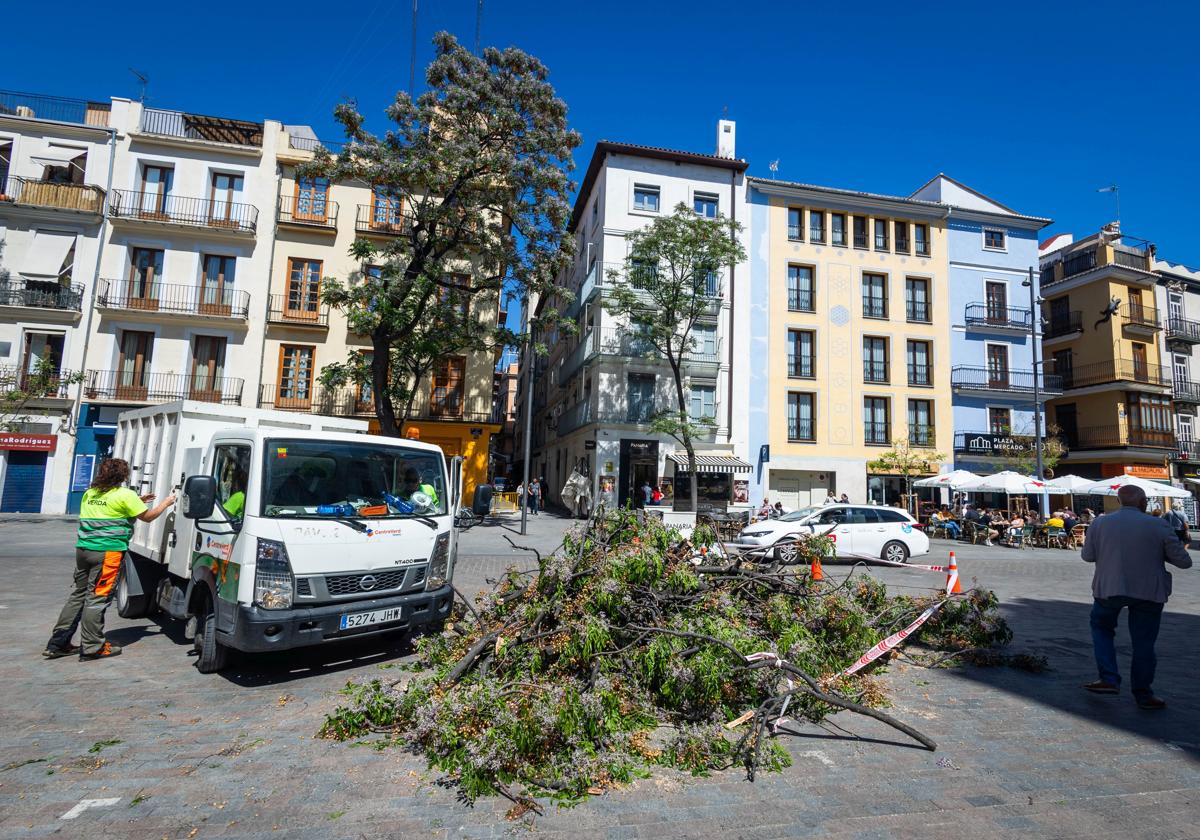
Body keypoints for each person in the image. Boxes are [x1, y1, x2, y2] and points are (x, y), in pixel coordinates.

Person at [43, 459, 176, 661]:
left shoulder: (91, 493)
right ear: (123, 476)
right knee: (97, 598)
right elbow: (148, 517)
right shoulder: (125, 495)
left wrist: (137, 500)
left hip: (84, 550)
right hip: (108, 554)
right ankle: (92, 647)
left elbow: (108, 507)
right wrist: (166, 503)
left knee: (78, 595)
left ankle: (57, 644)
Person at [1081, 485, 1192, 709]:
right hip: (1148, 591)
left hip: (1109, 588)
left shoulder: (1100, 523)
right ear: (1143, 502)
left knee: (1101, 629)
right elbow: (1184, 561)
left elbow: (1088, 556)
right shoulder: (1158, 524)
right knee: (1143, 643)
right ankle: (1143, 693)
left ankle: (1109, 678)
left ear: (1120, 501)